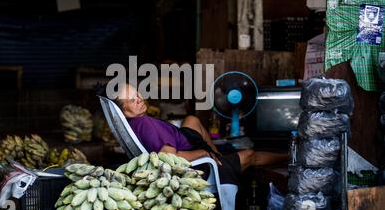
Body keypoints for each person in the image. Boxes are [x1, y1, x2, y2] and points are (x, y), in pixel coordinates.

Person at [112, 83, 288, 185]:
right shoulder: (145, 123)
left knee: (192, 120)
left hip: (184, 140)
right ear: (123, 109)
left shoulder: (135, 121)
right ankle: (286, 157)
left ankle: (219, 157)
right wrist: (204, 153)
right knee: (250, 155)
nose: (139, 99)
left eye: (137, 94)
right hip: (195, 165)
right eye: (132, 100)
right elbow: (169, 157)